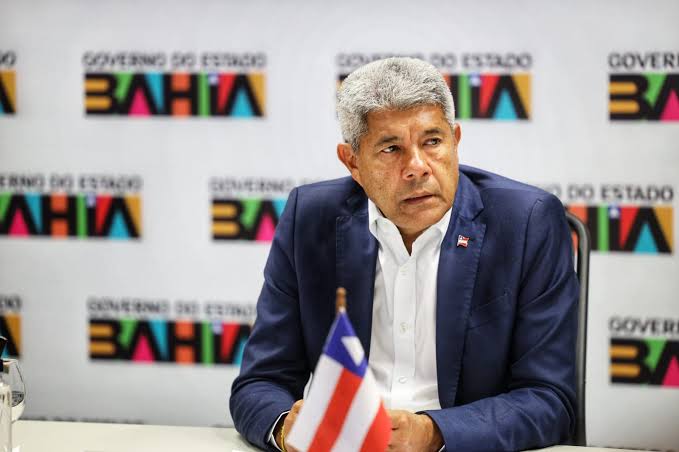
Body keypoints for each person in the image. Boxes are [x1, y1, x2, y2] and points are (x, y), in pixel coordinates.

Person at [230, 57, 578, 451]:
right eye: (391, 148)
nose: (417, 167)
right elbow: (261, 381)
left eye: (432, 142)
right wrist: (285, 429)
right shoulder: (309, 218)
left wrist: (432, 433)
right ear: (353, 162)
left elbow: (549, 398)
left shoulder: (526, 222)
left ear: (455, 140)